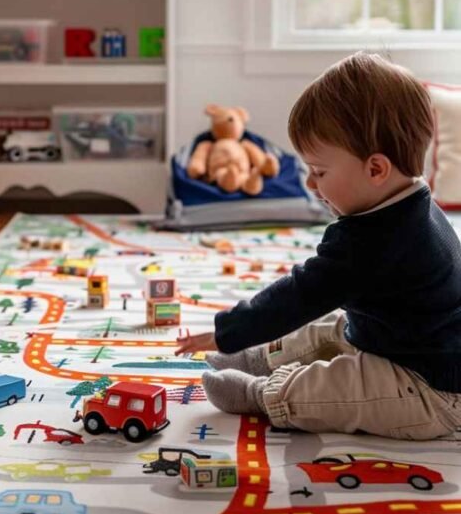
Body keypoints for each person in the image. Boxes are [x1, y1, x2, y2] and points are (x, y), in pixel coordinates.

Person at [175, 52, 461, 439]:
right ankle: (260, 358)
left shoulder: (371, 242)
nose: (310, 184)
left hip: (430, 388)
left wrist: (230, 330)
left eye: (319, 172)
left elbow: (300, 294)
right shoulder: (413, 202)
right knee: (331, 327)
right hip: (396, 341)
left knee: (340, 387)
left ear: (376, 169)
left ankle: (264, 393)